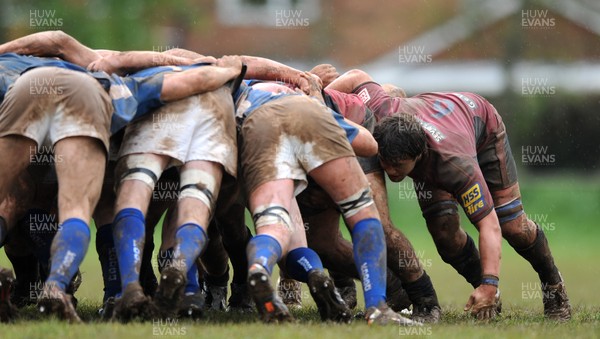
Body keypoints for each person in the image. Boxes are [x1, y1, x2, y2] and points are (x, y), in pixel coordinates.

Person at [327, 69, 571, 321]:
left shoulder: (455, 166)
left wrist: (491, 282)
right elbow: (356, 76)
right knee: (445, 237)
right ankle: (486, 298)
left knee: (513, 225)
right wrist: (319, 97)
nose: (388, 171)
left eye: (397, 166)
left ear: (418, 156)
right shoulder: (380, 110)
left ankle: (553, 284)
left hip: (481, 124)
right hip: (440, 121)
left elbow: (489, 224)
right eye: (384, 162)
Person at [234, 77, 417, 325]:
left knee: (275, 226)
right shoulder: (302, 92)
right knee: (362, 211)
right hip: (307, 113)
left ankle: (260, 268)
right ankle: (376, 307)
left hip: (256, 128)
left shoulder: (239, 88)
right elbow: (369, 145)